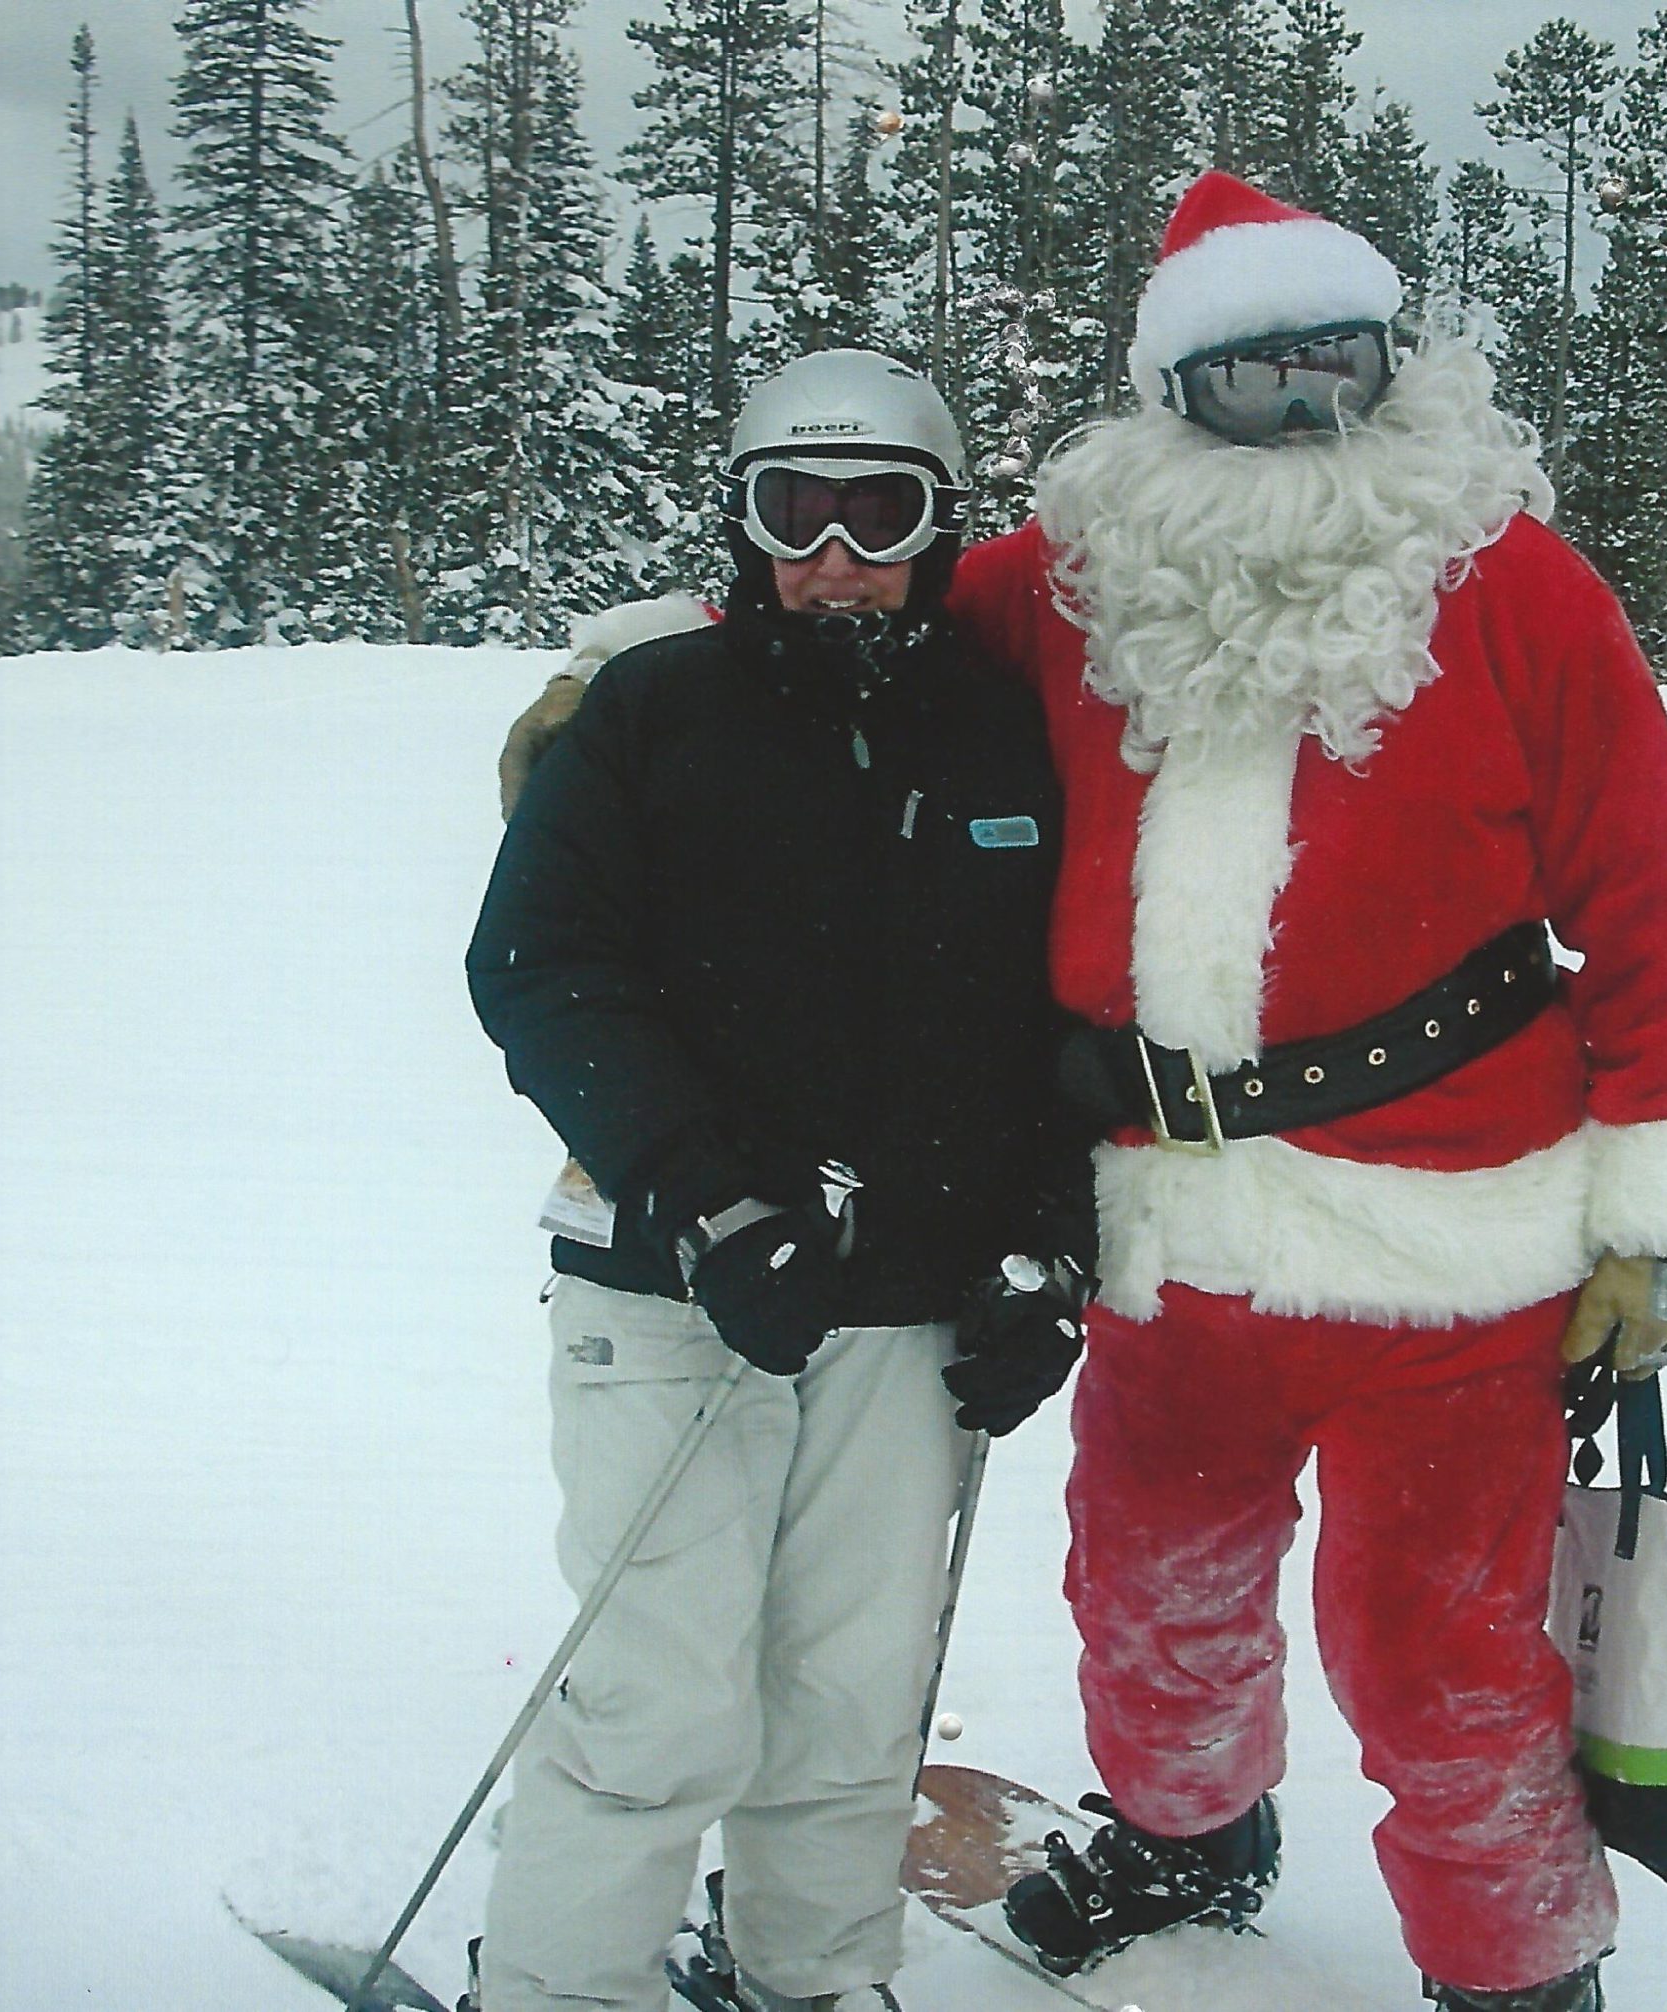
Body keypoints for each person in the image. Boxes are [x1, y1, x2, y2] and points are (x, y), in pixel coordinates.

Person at [502, 173, 1667, 2012]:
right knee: (1154, 1583)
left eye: (1337, 368)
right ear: (1173, 398)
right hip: (1160, 1217)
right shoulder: (1084, 581)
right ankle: (1186, 1834)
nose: (1300, 419)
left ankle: (1510, 1966)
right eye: (1248, 384)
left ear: (1394, 369)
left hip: (1451, 1235)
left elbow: (1649, 895)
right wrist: (612, 682)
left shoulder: (1516, 592)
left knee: (1444, 1647)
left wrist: (1657, 1220)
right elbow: (839, 602)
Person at [465, 348, 1095, 2012]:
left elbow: (1063, 1013)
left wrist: (1047, 1247)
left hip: (904, 1310)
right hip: (672, 1286)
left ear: (936, 531)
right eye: (790, 511)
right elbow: (539, 969)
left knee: (849, 1703)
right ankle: (558, 1988)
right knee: (663, 1702)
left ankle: (805, 1980)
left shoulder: (995, 730)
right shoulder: (653, 714)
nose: (832, 554)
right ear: (741, 527)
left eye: (874, 514)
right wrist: (714, 1201)